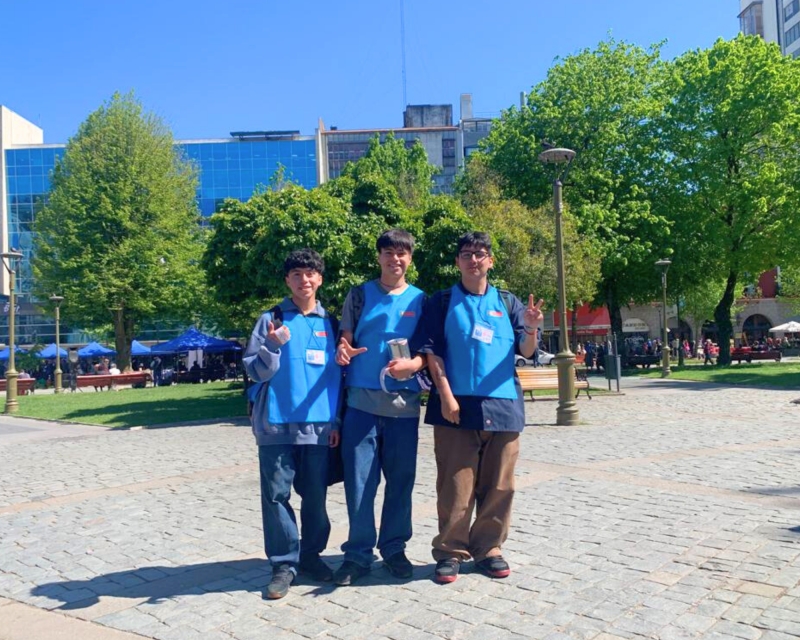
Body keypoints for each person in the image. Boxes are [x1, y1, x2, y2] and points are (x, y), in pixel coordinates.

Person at [422, 231, 543, 584]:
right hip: (456, 407)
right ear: (458, 261)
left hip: (503, 406)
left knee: (499, 485)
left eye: (480, 253)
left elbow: (528, 350)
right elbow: (432, 352)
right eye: (466, 254)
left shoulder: (508, 302)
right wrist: (445, 395)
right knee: (455, 485)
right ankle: (450, 551)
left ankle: (489, 548)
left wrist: (533, 329)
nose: (474, 259)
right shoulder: (442, 302)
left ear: (490, 260)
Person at [243, 248, 342, 600]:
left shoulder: (331, 323)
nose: (305, 280)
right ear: (287, 280)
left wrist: (336, 422)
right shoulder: (270, 319)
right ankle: (284, 563)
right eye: (297, 274)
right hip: (275, 424)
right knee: (276, 495)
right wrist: (271, 345)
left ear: (320, 279)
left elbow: (337, 377)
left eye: (311, 274)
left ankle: (312, 556)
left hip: (318, 427)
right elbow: (254, 371)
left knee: (315, 495)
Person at [332, 229, 427, 586]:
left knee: (401, 482)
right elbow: (346, 337)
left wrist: (414, 364)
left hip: (403, 407)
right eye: (388, 253)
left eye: (402, 253)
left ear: (410, 258)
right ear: (379, 257)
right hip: (362, 405)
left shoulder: (421, 300)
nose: (395, 260)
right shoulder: (358, 295)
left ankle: (394, 549)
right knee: (360, 484)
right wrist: (343, 349)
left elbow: (428, 350)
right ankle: (357, 554)